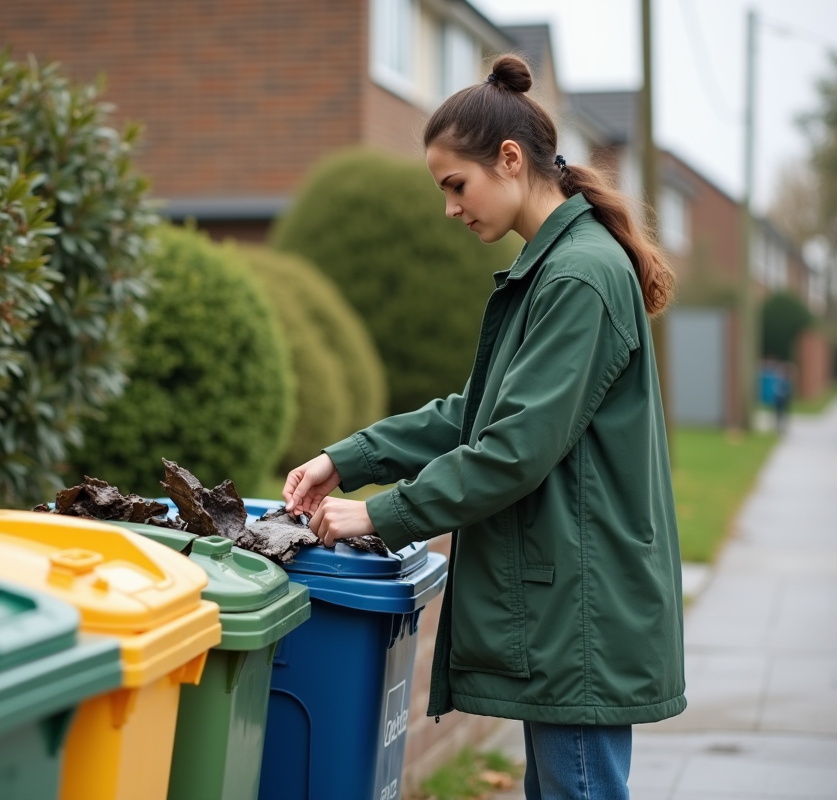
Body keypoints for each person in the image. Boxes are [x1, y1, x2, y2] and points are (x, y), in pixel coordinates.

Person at [283, 54, 685, 800]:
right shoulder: (555, 267)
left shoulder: (577, 276)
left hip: (582, 610)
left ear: (509, 160)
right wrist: (348, 458)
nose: (449, 208)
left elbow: (511, 451)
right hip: (571, 603)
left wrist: (380, 513)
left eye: (455, 185)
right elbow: (473, 412)